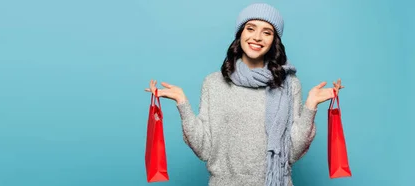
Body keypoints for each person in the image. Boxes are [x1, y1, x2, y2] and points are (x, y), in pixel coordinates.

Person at [145, 3, 344, 186]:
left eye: (267, 32)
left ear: (274, 40)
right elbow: (204, 148)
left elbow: (292, 153)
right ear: (240, 34)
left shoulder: (289, 85)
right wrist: (182, 103)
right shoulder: (213, 83)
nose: (257, 37)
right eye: (250, 28)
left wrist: (310, 105)